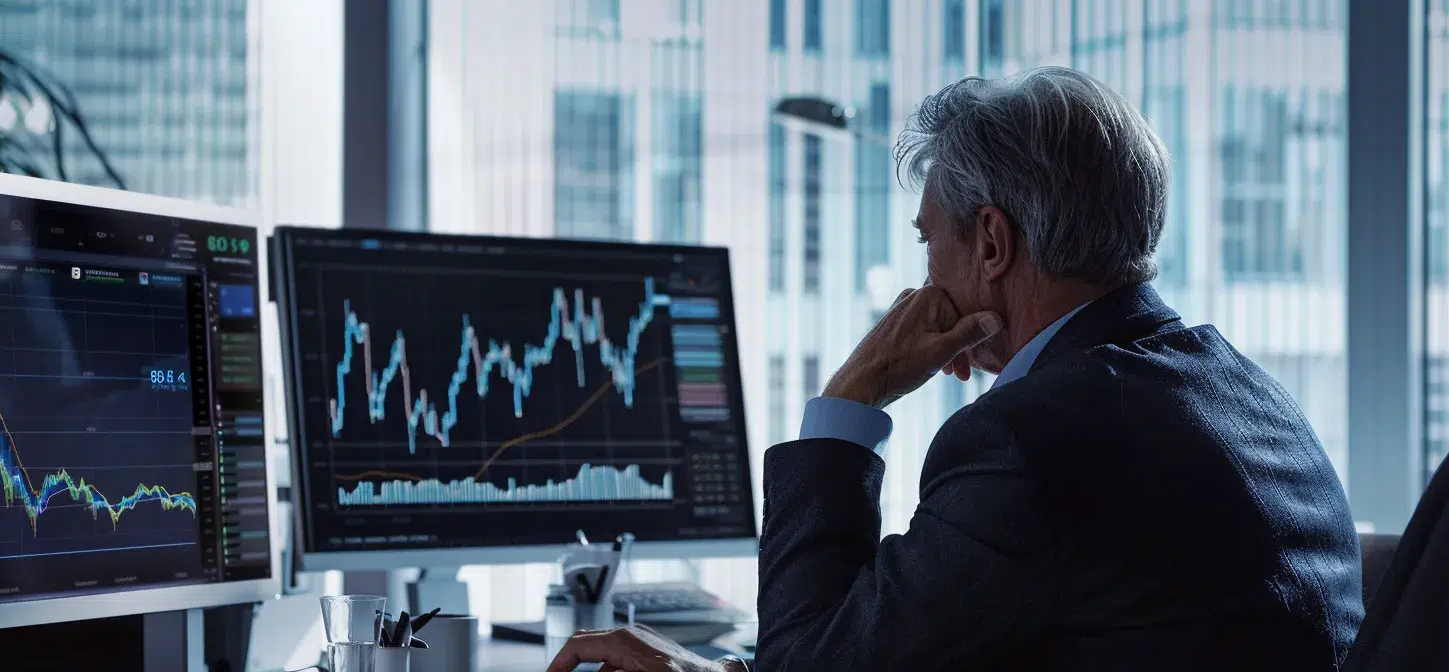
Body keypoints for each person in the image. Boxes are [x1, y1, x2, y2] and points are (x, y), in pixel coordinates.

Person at [548, 66, 1363, 672]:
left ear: (993, 244)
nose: (922, 277)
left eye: (927, 241)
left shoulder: (1032, 440)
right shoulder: (1245, 391)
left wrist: (850, 399)